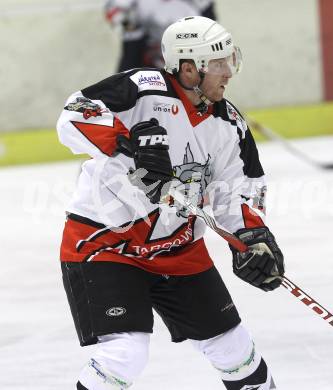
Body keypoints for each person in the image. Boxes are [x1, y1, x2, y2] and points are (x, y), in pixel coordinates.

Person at [57, 16, 284, 390]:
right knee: (125, 355)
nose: (229, 72)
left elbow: (239, 188)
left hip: (179, 249)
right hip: (106, 244)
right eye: (219, 64)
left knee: (234, 349)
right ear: (189, 68)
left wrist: (253, 235)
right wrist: (126, 145)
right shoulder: (143, 88)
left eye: (231, 61)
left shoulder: (229, 124)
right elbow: (75, 113)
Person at [104, 0, 216, 71]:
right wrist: (129, 25)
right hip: (143, 48)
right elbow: (113, 10)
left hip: (184, 50)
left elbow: (209, 24)